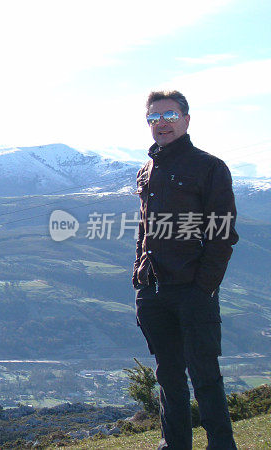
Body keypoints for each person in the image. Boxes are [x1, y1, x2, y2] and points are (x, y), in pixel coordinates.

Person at [132, 90, 239, 449]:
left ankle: (221, 445)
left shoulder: (209, 167)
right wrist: (139, 278)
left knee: (205, 375)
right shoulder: (146, 170)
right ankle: (173, 444)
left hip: (193, 289)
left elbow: (222, 234)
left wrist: (203, 289)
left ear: (186, 120)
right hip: (154, 291)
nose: (160, 123)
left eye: (169, 115)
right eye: (153, 117)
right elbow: (144, 229)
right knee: (169, 377)